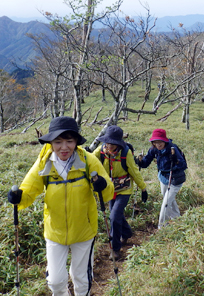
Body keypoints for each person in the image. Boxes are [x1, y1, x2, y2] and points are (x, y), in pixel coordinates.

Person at [7, 116, 114, 296]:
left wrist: (102, 186)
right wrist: (18, 198)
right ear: (50, 142)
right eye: (58, 142)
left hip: (84, 231)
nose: (64, 147)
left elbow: (107, 192)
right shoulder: (44, 162)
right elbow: (29, 189)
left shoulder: (87, 161)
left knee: (80, 278)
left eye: (69, 141)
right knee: (55, 282)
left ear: (76, 142)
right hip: (55, 231)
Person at [92, 125, 148, 260]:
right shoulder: (100, 151)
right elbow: (89, 161)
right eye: (108, 142)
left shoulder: (125, 153)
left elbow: (134, 171)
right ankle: (127, 232)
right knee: (116, 216)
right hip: (110, 189)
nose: (110, 146)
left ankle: (115, 248)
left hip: (124, 189)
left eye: (113, 143)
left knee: (114, 216)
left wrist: (143, 188)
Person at [137, 128, 187, 229]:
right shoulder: (153, 149)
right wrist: (140, 162)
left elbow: (183, 165)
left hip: (175, 179)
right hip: (163, 177)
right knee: (168, 200)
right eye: (155, 142)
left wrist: (175, 161)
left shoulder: (173, 149)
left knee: (166, 204)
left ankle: (162, 227)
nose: (158, 144)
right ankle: (177, 217)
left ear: (165, 141)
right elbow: (146, 163)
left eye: (160, 142)